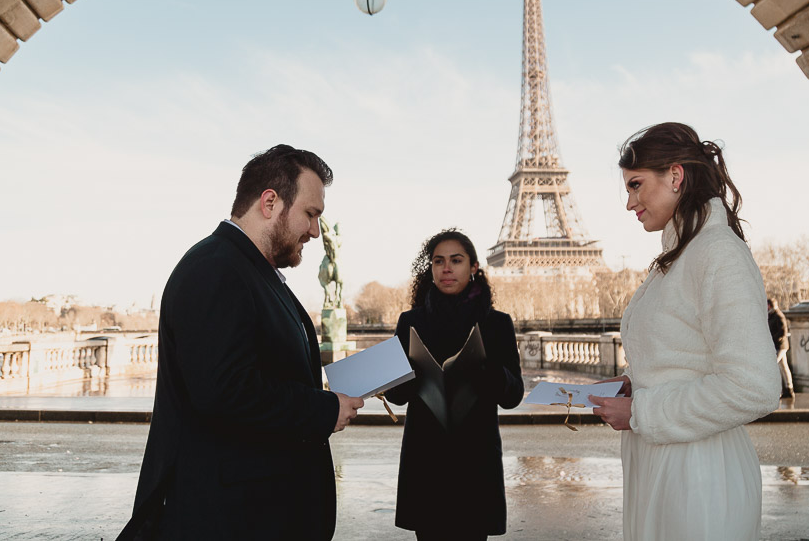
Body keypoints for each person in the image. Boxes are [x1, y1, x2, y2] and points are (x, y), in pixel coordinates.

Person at [117, 145, 364, 540]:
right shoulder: (216, 269)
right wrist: (323, 409)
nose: (316, 231)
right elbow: (225, 393)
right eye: (311, 214)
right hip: (231, 519)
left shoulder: (244, 269)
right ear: (270, 202)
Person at [589, 123, 780, 541]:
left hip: (699, 473)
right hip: (663, 464)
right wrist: (633, 385)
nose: (629, 203)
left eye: (636, 185)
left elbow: (756, 387)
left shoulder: (717, 252)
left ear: (675, 176)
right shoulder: (677, 258)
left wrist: (642, 411)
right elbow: (680, 360)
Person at [384, 230, 524, 540]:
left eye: (456, 260)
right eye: (439, 261)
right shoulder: (411, 322)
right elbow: (396, 396)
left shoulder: (497, 324)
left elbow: (513, 395)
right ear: (431, 268)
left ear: (474, 267)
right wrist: (406, 373)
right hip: (426, 461)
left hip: (475, 460)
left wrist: (488, 372)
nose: (447, 268)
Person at [768, 298, 795, 399]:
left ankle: (778, 390)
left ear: (769, 306)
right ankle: (789, 389)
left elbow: (783, 332)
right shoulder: (771, 316)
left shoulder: (778, 316)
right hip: (778, 346)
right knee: (783, 367)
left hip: (781, 346)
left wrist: (773, 339)